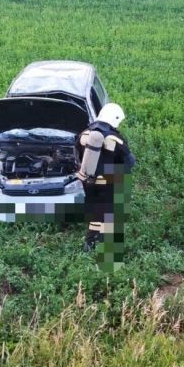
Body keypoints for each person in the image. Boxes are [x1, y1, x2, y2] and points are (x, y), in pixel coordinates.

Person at [76, 103, 136, 266]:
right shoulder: (114, 138)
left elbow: (77, 154)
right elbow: (129, 161)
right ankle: (98, 247)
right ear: (115, 119)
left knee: (96, 211)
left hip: (87, 180)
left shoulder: (84, 133)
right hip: (107, 181)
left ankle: (91, 245)